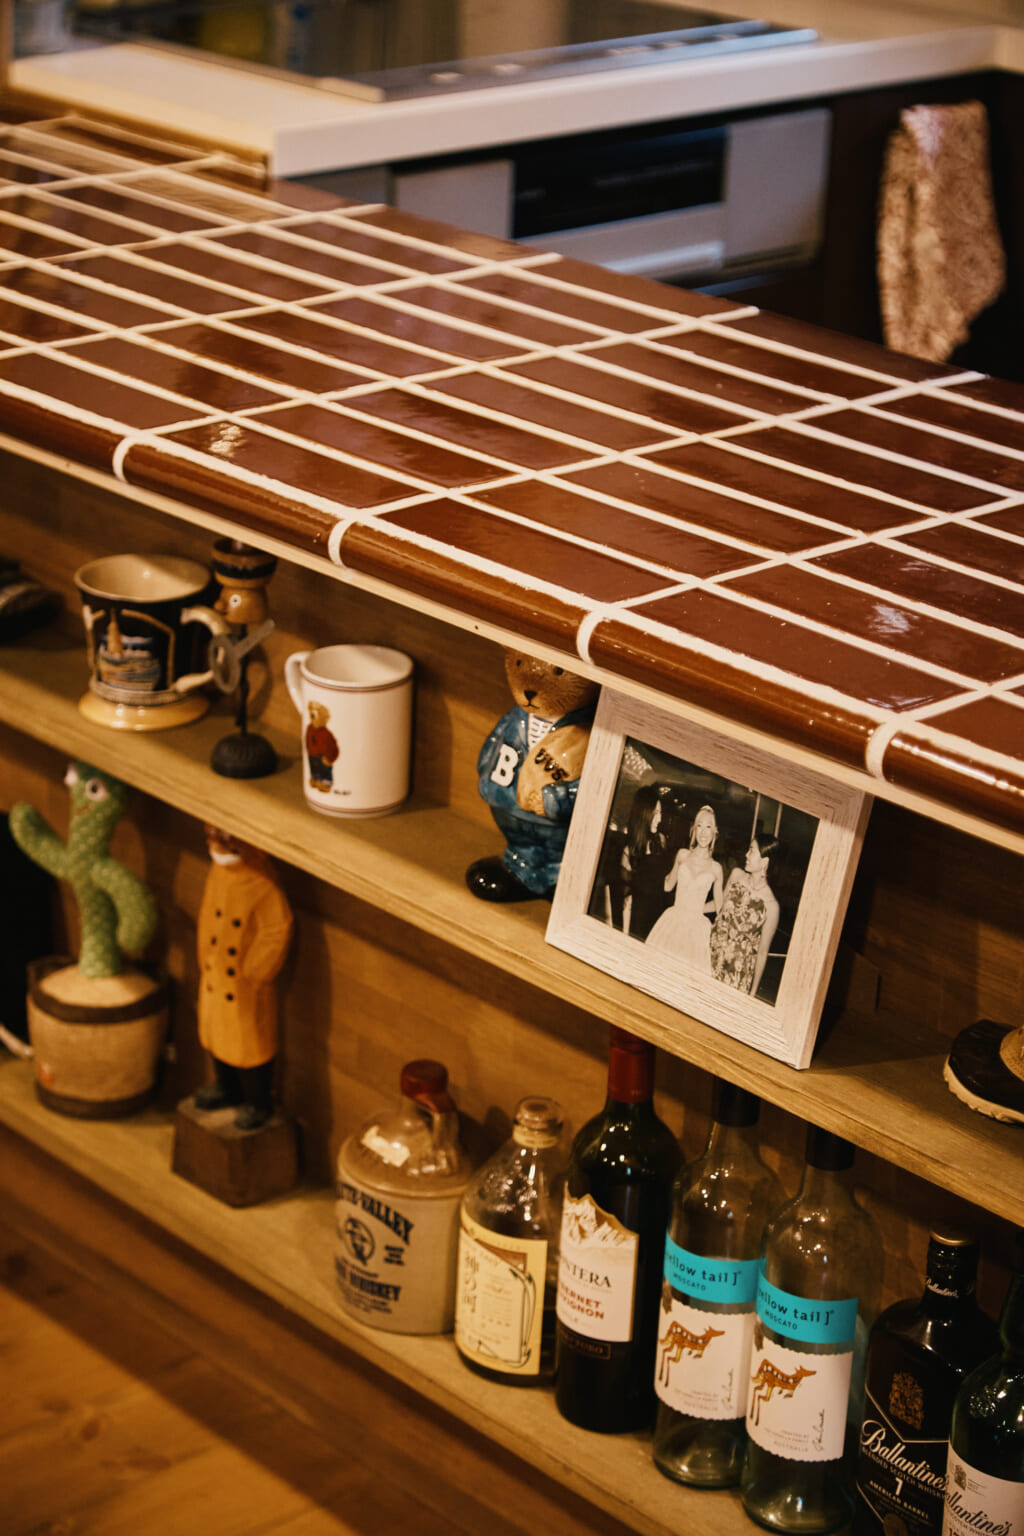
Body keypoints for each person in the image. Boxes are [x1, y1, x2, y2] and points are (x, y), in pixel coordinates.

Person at [194, 824, 294, 1131]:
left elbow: (276, 930)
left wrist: (254, 971)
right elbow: (208, 913)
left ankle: (258, 1103)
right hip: (214, 977)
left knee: (250, 1046)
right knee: (217, 1037)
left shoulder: (262, 883)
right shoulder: (218, 872)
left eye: (225, 838)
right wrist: (205, 955)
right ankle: (227, 1088)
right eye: (213, 835)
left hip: (243, 986)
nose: (217, 844)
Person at [645, 804, 724, 969]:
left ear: (715, 832)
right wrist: (652, 863)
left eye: (708, 827)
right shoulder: (682, 855)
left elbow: (720, 907)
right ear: (694, 829)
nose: (703, 832)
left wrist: (698, 909)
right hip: (672, 921)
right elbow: (668, 886)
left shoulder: (716, 868)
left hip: (697, 931)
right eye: (699, 826)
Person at [710, 833, 781, 998]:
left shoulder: (771, 906)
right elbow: (718, 906)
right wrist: (691, 907)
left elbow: (762, 952)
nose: (746, 855)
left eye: (752, 850)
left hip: (736, 973)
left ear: (764, 861)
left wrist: (753, 993)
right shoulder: (736, 875)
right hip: (711, 954)